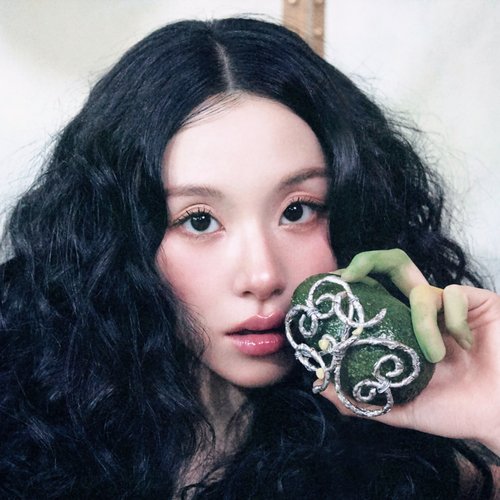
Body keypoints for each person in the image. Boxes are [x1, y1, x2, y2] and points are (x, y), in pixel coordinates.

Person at [0, 17, 498, 499]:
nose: (262, 276)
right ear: (115, 235)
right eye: (199, 220)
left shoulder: (426, 474)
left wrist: (492, 408)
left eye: (298, 211)